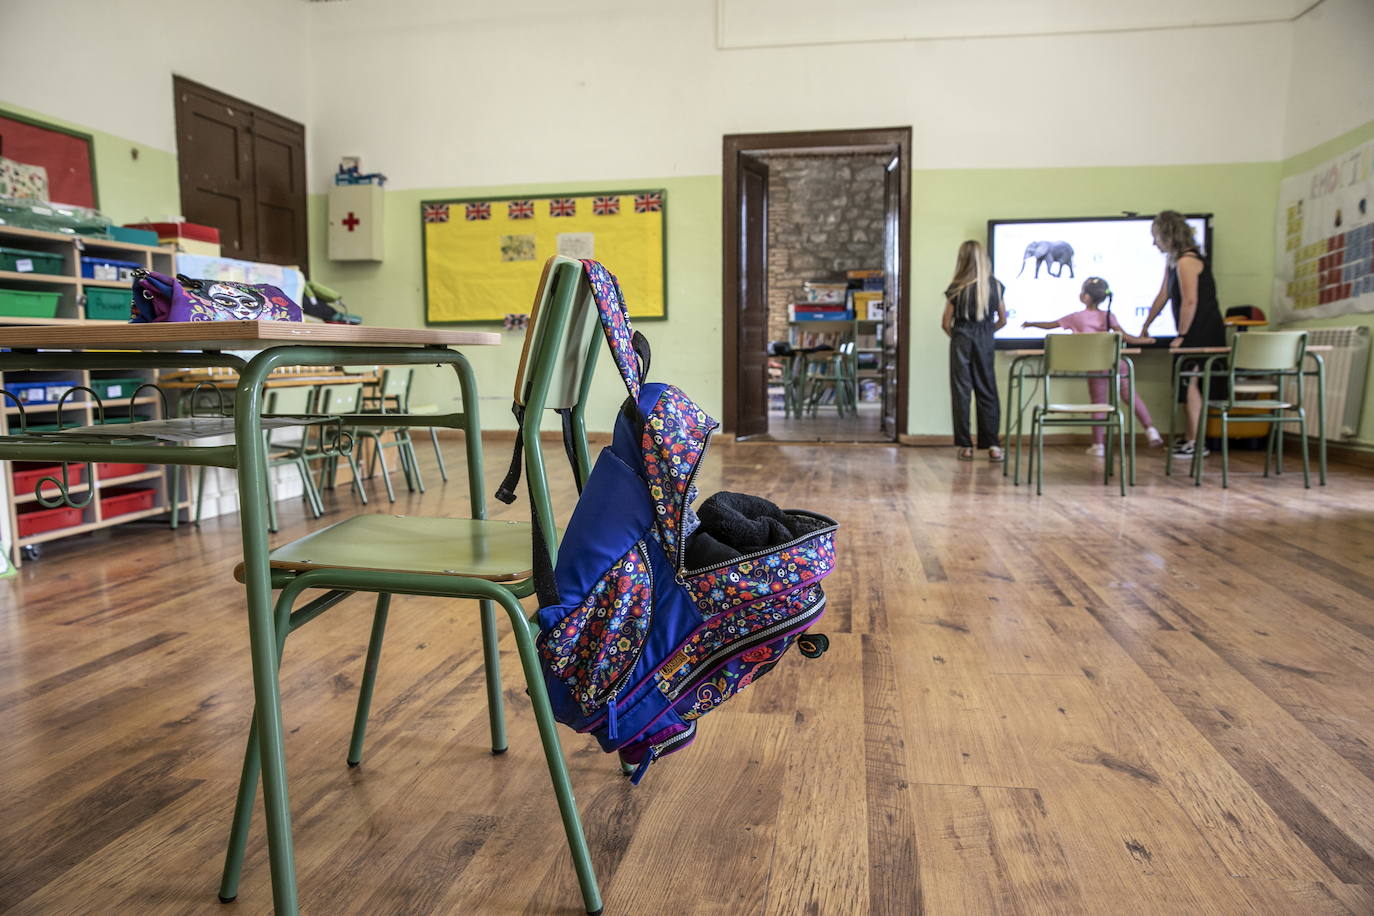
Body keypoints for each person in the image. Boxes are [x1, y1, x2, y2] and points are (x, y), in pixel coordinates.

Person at [1022, 276, 1164, 455]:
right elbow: (1126, 337)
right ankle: (1150, 429)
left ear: (1085, 297)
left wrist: (1031, 323)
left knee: (1099, 403)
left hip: (1096, 367)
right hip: (1116, 363)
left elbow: (1050, 325)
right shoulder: (1108, 316)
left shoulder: (1075, 317)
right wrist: (1145, 340)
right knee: (1129, 394)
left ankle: (1098, 445)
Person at [1139, 211, 1227, 460]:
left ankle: (1195, 442)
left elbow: (1190, 301)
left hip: (1202, 331)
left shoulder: (1188, 261)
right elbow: (1163, 295)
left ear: (1168, 235)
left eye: (1156, 237)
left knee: (1193, 385)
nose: (1155, 242)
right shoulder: (1174, 262)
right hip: (1193, 331)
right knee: (1188, 386)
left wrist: (1183, 335)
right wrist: (1146, 325)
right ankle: (1189, 438)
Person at [942, 239, 1008, 461]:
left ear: (963, 260)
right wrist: (987, 332)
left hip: (961, 337)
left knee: (961, 392)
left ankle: (965, 446)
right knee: (987, 390)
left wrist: (960, 336)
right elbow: (1003, 320)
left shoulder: (956, 287)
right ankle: (993, 446)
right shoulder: (996, 286)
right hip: (985, 338)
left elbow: (945, 323)